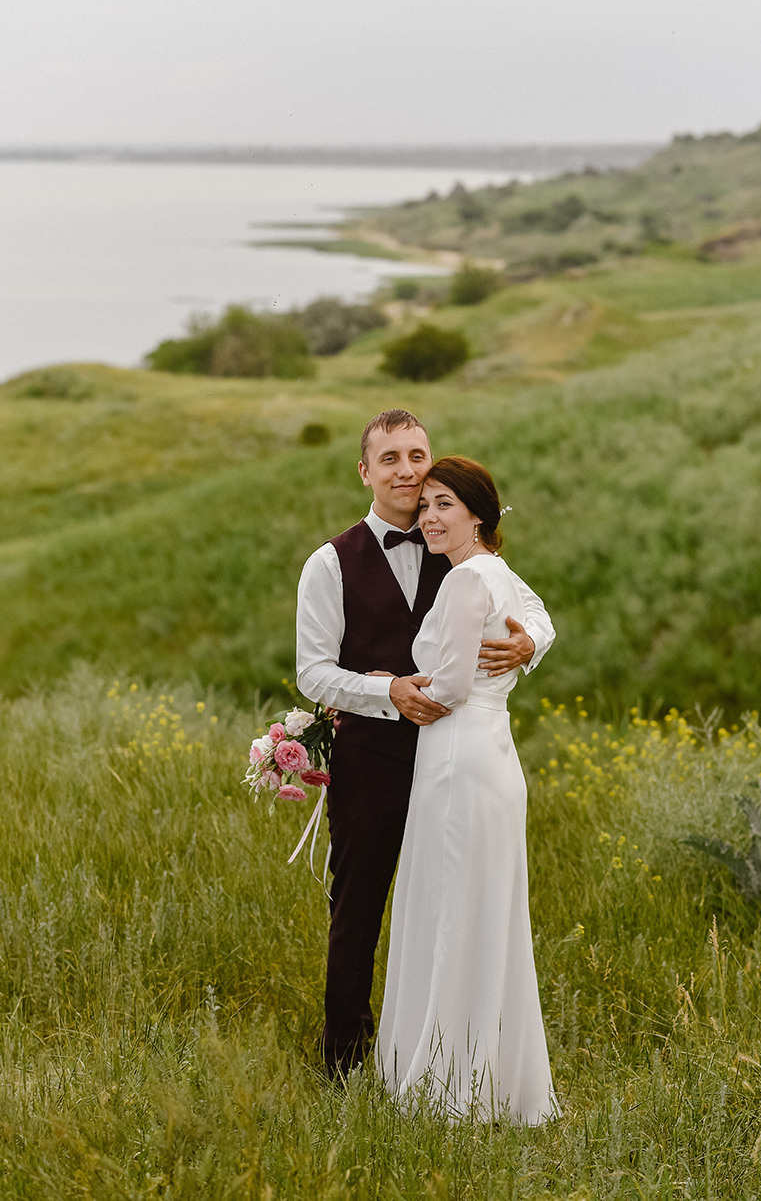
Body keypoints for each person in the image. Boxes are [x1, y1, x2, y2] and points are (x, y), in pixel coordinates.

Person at [295, 410, 554, 1078]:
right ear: (365, 471)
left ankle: (447, 1055)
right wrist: (388, 694)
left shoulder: (456, 539)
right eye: (391, 459)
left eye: (417, 454)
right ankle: (346, 1060)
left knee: (449, 907)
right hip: (373, 760)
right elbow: (313, 670)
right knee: (357, 910)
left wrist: (526, 645)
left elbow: (535, 614)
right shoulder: (330, 562)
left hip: (457, 762)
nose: (407, 470)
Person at [376, 456, 559, 1124]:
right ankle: (492, 1079)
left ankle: (448, 1083)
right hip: (494, 757)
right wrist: (528, 643)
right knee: (484, 911)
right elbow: (538, 618)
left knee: (453, 907)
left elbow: (449, 689)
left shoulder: (464, 581)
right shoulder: (498, 575)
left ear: (478, 514)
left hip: (455, 759)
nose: (428, 516)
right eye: (423, 505)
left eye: (443, 503)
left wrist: (386, 687)